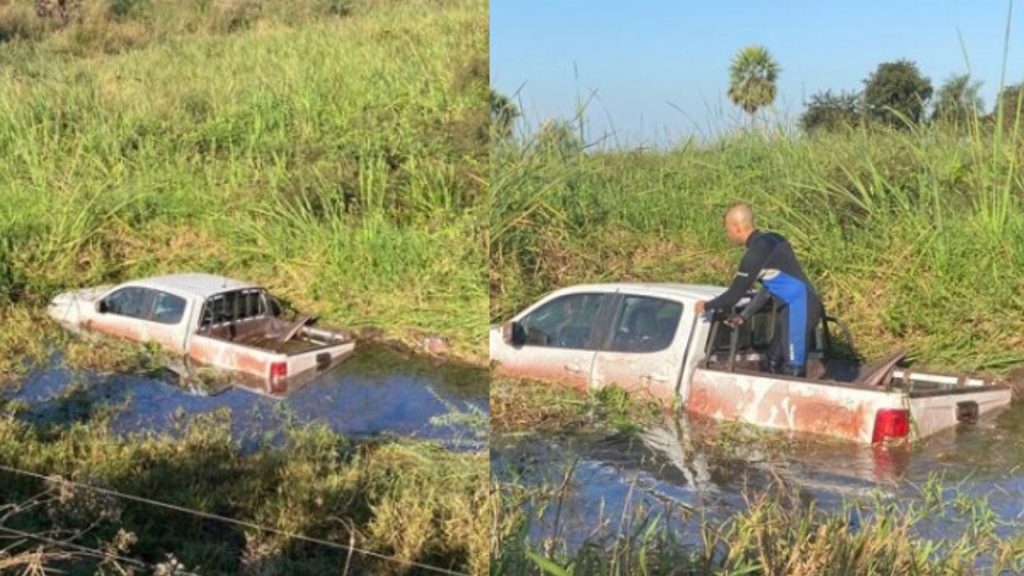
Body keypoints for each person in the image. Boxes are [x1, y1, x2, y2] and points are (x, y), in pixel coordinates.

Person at [695, 204, 821, 377]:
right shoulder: (774, 238)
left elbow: (733, 295)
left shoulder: (756, 254)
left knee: (794, 369)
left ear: (736, 227)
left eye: (727, 229)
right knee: (772, 360)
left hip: (800, 307)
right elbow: (768, 288)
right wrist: (744, 316)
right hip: (793, 306)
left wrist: (706, 305)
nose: (727, 234)